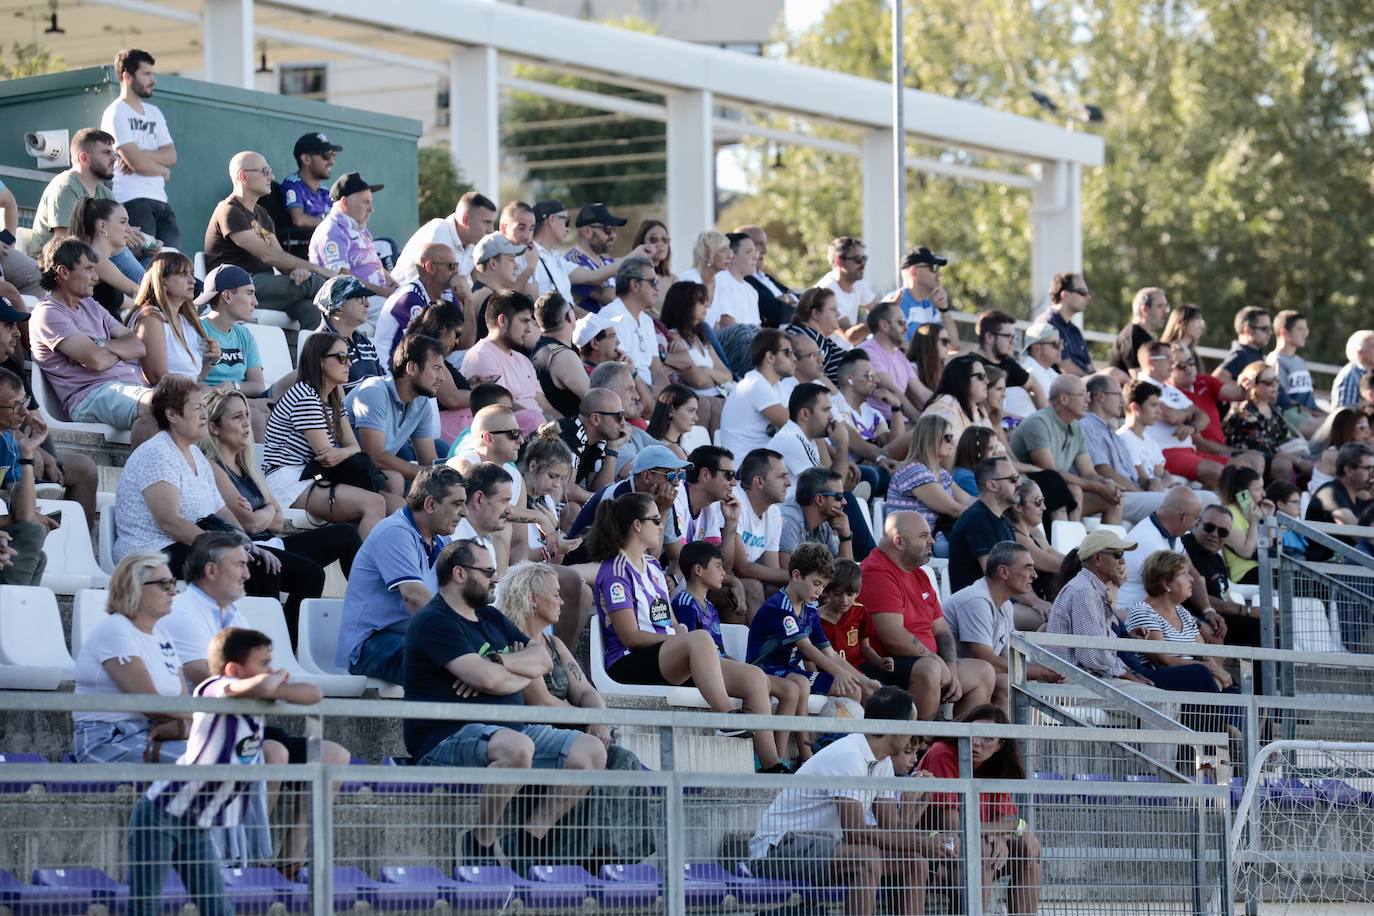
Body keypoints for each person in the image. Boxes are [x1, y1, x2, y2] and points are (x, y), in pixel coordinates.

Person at [401, 537, 607, 864]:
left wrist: (499, 661)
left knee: (591, 751)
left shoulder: (490, 618)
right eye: (487, 572)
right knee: (518, 748)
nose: (495, 579)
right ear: (459, 574)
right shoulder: (434, 621)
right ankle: (481, 842)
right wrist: (507, 673)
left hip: (506, 730)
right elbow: (488, 681)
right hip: (445, 738)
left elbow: (540, 658)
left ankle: (528, 838)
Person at [126, 627, 322, 916]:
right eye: (263, 663)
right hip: (161, 814)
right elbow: (243, 687)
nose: (271, 669)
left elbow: (313, 693)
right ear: (232, 669)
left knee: (217, 908)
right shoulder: (213, 688)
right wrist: (273, 681)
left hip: (197, 824)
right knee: (144, 908)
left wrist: (272, 681)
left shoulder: (258, 696)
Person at [589, 491, 787, 771]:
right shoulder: (615, 572)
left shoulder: (654, 568)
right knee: (699, 639)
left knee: (754, 678)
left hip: (664, 656)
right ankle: (726, 718)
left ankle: (772, 767)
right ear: (637, 525)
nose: (661, 526)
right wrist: (682, 640)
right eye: (655, 520)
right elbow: (630, 637)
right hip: (629, 661)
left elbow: (668, 619)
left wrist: (679, 635)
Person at [497, 560, 654, 868]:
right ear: (532, 598)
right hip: (536, 737)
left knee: (623, 760)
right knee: (594, 760)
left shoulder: (554, 643)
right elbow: (540, 703)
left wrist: (597, 718)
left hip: (573, 733)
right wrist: (586, 721)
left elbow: (585, 691)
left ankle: (610, 855)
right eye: (555, 594)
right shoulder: (514, 643)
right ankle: (572, 856)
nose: (562, 601)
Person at [749, 686, 929, 916]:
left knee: (915, 862)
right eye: (911, 724)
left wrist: (930, 840)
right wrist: (921, 844)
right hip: (777, 850)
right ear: (893, 727)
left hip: (826, 850)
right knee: (867, 858)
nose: (915, 733)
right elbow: (856, 833)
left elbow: (891, 826)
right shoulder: (849, 755)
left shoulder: (882, 762)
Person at [203, 388, 361, 644]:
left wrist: (262, 513)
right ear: (214, 428)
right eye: (236, 418)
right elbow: (250, 525)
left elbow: (276, 523)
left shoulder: (247, 466)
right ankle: (286, 645)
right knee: (311, 574)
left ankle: (367, 610)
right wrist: (265, 511)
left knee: (346, 535)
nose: (246, 423)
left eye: (246, 415)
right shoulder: (213, 467)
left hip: (273, 543)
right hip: (249, 550)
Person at [859, 511, 996, 719]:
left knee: (984, 672)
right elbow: (893, 638)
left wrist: (951, 667)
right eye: (924, 536)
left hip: (927, 663)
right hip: (884, 664)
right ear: (899, 542)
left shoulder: (919, 574)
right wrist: (937, 662)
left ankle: (953, 748)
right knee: (930, 668)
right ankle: (918, 744)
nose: (932, 540)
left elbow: (942, 631)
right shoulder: (876, 572)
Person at [337, 465, 467, 682]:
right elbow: (414, 596)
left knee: (489, 660)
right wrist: (463, 635)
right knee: (454, 665)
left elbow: (457, 596)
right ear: (430, 504)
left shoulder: (442, 539)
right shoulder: (394, 531)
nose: (464, 512)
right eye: (457, 504)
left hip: (412, 636)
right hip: (370, 645)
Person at [262, 333, 395, 538]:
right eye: (341, 358)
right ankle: (365, 569)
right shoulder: (305, 395)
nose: (349, 363)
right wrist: (346, 452)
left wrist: (344, 452)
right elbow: (326, 456)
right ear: (320, 361)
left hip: (310, 475)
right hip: (288, 480)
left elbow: (352, 448)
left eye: (349, 357)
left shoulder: (331, 397)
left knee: (397, 504)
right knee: (375, 503)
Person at [917, 704, 1042, 916]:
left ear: (999, 745)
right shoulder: (942, 754)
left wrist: (1002, 833)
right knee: (982, 851)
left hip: (971, 851)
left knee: (1028, 852)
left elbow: (1006, 818)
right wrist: (1008, 827)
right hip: (931, 848)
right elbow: (955, 826)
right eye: (973, 733)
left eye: (987, 739)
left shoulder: (997, 766)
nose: (976, 743)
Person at [31, 238, 156, 440]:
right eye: (89, 269)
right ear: (63, 272)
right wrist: (118, 351)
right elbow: (97, 361)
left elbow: (138, 345)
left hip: (126, 388)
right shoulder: (48, 314)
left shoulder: (89, 303)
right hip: (90, 397)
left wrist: (101, 345)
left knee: (190, 404)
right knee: (160, 408)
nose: (96, 277)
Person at [73, 552, 188, 763]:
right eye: (164, 584)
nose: (173, 591)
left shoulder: (162, 634)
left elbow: (184, 702)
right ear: (134, 587)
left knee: (240, 754)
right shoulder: (115, 630)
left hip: (150, 735)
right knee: (211, 760)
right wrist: (190, 724)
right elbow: (150, 703)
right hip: (109, 741)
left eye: (173, 582)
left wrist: (191, 724)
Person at [203, 151, 333, 328]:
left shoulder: (262, 214)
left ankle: (306, 355)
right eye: (264, 171)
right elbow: (267, 256)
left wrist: (295, 271)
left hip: (260, 287)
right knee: (317, 282)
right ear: (243, 176)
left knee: (311, 311)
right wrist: (318, 270)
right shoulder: (229, 211)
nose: (271, 176)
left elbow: (278, 256)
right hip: (234, 288)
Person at [748, 543, 874, 723]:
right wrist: (838, 673)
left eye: (823, 586)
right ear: (797, 575)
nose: (820, 592)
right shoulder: (779, 607)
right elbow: (806, 647)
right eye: (816, 584)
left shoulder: (810, 612)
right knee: (800, 684)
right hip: (765, 670)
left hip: (791, 672)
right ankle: (794, 749)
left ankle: (829, 743)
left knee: (852, 689)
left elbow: (830, 653)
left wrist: (863, 680)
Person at [943, 541, 1063, 711]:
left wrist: (1034, 674)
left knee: (1020, 682)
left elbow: (1005, 657)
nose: (1034, 575)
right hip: (947, 670)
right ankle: (973, 736)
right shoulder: (977, 601)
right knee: (1005, 684)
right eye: (1027, 567)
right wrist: (1038, 672)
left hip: (971, 670)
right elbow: (986, 660)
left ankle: (1005, 737)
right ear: (1004, 572)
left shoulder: (1005, 605)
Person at [27, 128, 154, 282]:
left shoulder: (105, 193)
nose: (114, 159)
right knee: (141, 278)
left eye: (113, 153)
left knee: (156, 262)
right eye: (106, 153)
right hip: (54, 268)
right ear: (84, 158)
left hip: (96, 259)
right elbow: (66, 245)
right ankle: (147, 295)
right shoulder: (65, 187)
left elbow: (116, 242)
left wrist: (145, 246)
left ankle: (150, 294)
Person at [1010, 374, 1125, 524]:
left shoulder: (1076, 426)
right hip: (1028, 496)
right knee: (1073, 490)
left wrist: (1106, 483)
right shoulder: (1039, 423)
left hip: (1057, 492)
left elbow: (1089, 473)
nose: (1088, 400)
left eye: (1088, 395)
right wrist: (1095, 487)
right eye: (1082, 395)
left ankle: (1111, 547)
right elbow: (1050, 473)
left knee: (1113, 499)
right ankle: (1071, 546)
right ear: (1064, 399)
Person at [1045, 530, 1150, 683]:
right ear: (1098, 558)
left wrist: (1129, 672)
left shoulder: (1090, 588)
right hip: (1076, 683)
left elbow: (1099, 652)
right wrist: (1128, 675)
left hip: (1089, 679)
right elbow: (1091, 653)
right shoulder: (1084, 591)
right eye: (1118, 554)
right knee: (1160, 702)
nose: (1123, 562)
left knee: (1158, 697)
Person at [100, 49, 179, 248]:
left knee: (171, 261)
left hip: (161, 200)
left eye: (153, 74)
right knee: (146, 262)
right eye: (146, 74)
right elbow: (136, 164)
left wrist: (143, 154)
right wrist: (163, 170)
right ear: (127, 76)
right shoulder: (116, 112)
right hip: (132, 200)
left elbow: (171, 154)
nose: (153, 80)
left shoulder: (154, 113)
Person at [1126, 551, 1235, 691]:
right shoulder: (1143, 611)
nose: (1191, 579)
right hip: (1157, 679)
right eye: (1184, 573)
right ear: (1166, 583)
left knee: (1232, 690)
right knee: (1201, 673)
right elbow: (1163, 660)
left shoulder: (1182, 612)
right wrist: (1210, 669)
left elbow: (1205, 655)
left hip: (1193, 677)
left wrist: (1218, 674)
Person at [346, 333, 444, 486]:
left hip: (370, 473)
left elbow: (428, 460)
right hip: (339, 470)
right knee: (395, 480)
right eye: (436, 368)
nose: (442, 377)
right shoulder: (374, 391)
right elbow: (373, 456)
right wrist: (428, 474)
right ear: (411, 368)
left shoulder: (422, 402)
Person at [1138, 341, 1227, 489]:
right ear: (1150, 361)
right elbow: (1172, 417)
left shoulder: (1170, 390)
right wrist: (1189, 413)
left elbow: (1203, 417)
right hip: (1165, 454)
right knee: (1218, 471)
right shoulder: (1141, 387)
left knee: (1243, 467)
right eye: (1167, 358)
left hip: (1188, 452)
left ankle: (1247, 510)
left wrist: (1191, 427)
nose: (1173, 362)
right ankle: (1240, 510)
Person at [1081, 374, 1169, 523]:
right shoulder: (1087, 426)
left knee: (1192, 501)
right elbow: (1104, 471)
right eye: (1117, 395)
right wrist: (1142, 493)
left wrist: (1148, 483)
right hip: (1112, 496)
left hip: (1130, 493)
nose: (1123, 401)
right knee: (1185, 505)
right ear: (1099, 397)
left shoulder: (1111, 431)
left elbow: (1134, 477)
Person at [196, 266, 270, 438]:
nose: (255, 302)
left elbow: (258, 386)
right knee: (257, 417)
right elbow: (191, 382)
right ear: (227, 296)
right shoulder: (196, 329)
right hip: (206, 400)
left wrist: (233, 387)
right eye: (249, 293)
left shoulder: (244, 334)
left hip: (236, 396)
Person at [461, 291, 550, 435]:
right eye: (524, 321)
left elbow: (543, 404)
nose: (528, 328)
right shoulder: (482, 355)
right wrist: (544, 426)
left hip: (540, 433)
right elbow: (501, 408)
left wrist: (562, 424)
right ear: (502, 321)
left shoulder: (523, 360)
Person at [528, 200, 648, 303]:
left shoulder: (555, 257)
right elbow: (605, 291)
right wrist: (633, 256)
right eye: (566, 221)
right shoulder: (532, 256)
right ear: (552, 219)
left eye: (614, 230)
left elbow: (593, 276)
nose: (613, 235)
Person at [887, 413, 971, 558]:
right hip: (912, 543)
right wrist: (988, 515)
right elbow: (954, 509)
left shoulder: (941, 473)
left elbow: (969, 500)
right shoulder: (914, 471)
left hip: (934, 537)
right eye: (948, 438)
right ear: (931, 438)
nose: (953, 443)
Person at [129, 251, 217, 387]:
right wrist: (204, 394)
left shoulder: (185, 321)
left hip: (186, 398)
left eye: (191, 274)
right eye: (183, 274)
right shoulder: (150, 319)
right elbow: (157, 378)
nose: (192, 280)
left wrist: (210, 361)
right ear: (163, 281)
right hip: (162, 400)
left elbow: (194, 378)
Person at [1182, 503, 1263, 648]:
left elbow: (1224, 595)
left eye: (1222, 532)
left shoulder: (1217, 558)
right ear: (1198, 522)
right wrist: (1248, 611)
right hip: (1197, 617)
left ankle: (1254, 671)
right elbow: (1199, 597)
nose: (1214, 535)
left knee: (1269, 625)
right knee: (1260, 629)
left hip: (1219, 619)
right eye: (1209, 527)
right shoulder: (1185, 548)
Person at [308, 172, 396, 301]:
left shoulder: (358, 227)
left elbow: (374, 263)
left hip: (375, 298)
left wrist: (394, 285)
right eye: (366, 202)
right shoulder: (331, 231)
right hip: (353, 302)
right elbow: (343, 279)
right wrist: (386, 293)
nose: (372, 209)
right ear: (344, 203)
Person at [374, 242, 459, 369]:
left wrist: (468, 299)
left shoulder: (449, 295)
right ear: (431, 267)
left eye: (457, 265)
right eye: (451, 266)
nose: (457, 271)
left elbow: (464, 342)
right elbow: (425, 347)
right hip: (392, 373)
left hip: (418, 365)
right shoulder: (409, 298)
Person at [1223, 361, 1310, 483]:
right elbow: (1264, 449)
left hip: (1274, 460)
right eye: (1269, 382)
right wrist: (1298, 461)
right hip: (1250, 463)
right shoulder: (1245, 412)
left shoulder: (1275, 410)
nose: (1274, 385)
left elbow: (1284, 440)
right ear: (1254, 385)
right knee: (1284, 465)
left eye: (1276, 380)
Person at [0, 375, 48, 585]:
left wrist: (27, 453)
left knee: (37, 556)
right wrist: (12, 521)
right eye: (14, 406)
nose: (25, 412)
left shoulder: (7, 442)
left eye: (24, 402)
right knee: (31, 532)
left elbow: (25, 514)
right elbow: (27, 521)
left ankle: (17, 612)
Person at [393, 190, 496, 289]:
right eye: (486, 222)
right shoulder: (437, 233)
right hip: (403, 301)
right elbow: (436, 290)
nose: (491, 230)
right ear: (466, 220)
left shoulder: (473, 243)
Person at [946, 457, 1020, 593]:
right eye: (1013, 479)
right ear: (992, 485)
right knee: (1044, 614)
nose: (1019, 484)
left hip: (999, 600)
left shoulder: (1003, 522)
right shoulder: (977, 519)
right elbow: (997, 578)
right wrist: (1034, 601)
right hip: (977, 603)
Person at [720, 328, 795, 458]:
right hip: (744, 467)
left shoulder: (775, 386)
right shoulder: (755, 384)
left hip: (762, 463)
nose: (794, 358)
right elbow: (791, 423)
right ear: (770, 357)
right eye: (788, 353)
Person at [660, 280, 731, 416]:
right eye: (701, 301)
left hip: (717, 397)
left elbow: (728, 375)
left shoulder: (701, 338)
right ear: (685, 304)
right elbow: (698, 381)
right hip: (699, 403)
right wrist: (711, 376)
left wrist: (707, 371)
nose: (707, 306)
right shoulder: (674, 338)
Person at [308, 276, 384, 394]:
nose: (367, 304)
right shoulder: (321, 343)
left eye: (366, 298)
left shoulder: (365, 342)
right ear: (338, 307)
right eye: (359, 298)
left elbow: (382, 382)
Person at [602, 256, 669, 389]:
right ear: (635, 285)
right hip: (630, 391)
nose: (657, 289)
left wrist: (670, 397)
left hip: (650, 391)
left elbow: (656, 369)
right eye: (653, 282)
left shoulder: (647, 320)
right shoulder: (611, 316)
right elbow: (620, 370)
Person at [67, 197, 140, 318]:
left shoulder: (96, 257)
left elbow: (131, 301)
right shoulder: (93, 259)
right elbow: (139, 292)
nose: (129, 229)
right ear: (102, 225)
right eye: (123, 222)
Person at [1004, 477, 1063, 620]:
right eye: (1038, 502)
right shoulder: (1017, 539)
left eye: (1043, 501)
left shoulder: (1035, 534)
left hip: (1039, 604)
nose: (1044, 507)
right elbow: (1060, 565)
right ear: (1018, 506)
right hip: (1020, 604)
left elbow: (1063, 557)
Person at [1304, 443, 1374, 560]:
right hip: (1324, 571)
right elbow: (1360, 534)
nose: (1372, 474)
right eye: (1368, 468)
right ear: (1349, 470)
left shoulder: (1360, 500)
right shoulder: (1329, 492)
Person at [860, 300, 925, 424]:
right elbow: (891, 389)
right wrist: (920, 420)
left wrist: (948, 405)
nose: (906, 328)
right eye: (901, 323)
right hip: (880, 426)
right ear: (884, 325)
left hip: (899, 422)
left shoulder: (900, 356)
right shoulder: (868, 351)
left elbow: (921, 391)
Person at [883, 244, 959, 346]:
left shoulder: (929, 307)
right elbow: (898, 351)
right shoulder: (895, 302)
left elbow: (953, 346)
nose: (939, 274)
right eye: (934, 267)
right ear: (914, 272)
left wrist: (944, 310)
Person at [531, 291, 590, 419]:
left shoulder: (542, 349)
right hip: (569, 434)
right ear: (569, 316)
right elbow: (595, 400)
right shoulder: (562, 356)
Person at [780, 467, 854, 567]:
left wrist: (845, 537)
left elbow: (846, 576)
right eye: (839, 496)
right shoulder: (788, 521)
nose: (844, 502)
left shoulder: (824, 525)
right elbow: (788, 574)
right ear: (819, 499)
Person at [1215, 463, 1275, 586]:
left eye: (1262, 488)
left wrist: (1268, 518)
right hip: (1244, 573)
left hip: (1263, 568)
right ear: (1242, 493)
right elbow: (1246, 552)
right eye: (1257, 489)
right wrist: (1254, 523)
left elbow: (1269, 547)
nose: (1263, 494)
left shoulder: (1251, 513)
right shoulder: (1229, 513)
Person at [813, 237, 877, 344]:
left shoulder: (858, 282)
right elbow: (850, 336)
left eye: (864, 258)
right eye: (858, 259)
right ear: (839, 262)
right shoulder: (826, 291)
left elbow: (876, 311)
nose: (863, 265)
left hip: (846, 354)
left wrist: (886, 314)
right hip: (823, 357)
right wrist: (881, 320)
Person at [735, 224, 797, 326]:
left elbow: (797, 296)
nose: (765, 250)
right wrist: (791, 302)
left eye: (765, 244)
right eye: (759, 244)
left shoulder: (767, 277)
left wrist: (787, 299)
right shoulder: (745, 280)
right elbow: (778, 312)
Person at [924, 353, 993, 446]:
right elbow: (952, 453)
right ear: (962, 379)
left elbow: (996, 449)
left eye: (986, 376)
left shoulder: (978, 410)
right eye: (981, 376)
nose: (987, 381)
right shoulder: (945, 406)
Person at [279, 131, 342, 228]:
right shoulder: (292, 185)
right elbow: (298, 219)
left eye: (333, 155)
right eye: (326, 155)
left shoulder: (325, 192)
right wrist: (331, 226)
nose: (332, 162)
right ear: (306, 159)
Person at [1000, 322, 1061, 422]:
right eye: (1055, 344)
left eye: (1060, 343)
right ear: (1037, 348)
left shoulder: (1048, 371)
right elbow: (1059, 409)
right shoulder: (1031, 370)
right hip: (1018, 429)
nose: (1061, 348)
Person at [786, 287, 847, 384]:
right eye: (833, 309)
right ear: (816, 313)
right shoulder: (802, 339)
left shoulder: (816, 337)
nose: (838, 314)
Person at [1038, 272, 1094, 376]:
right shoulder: (1047, 325)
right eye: (1082, 292)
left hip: (1080, 386)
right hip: (1063, 387)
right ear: (1065, 295)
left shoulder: (1075, 330)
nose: (1088, 297)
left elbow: (1090, 367)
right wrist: (1093, 381)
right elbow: (1066, 368)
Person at [1109, 287, 1168, 378]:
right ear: (1144, 309)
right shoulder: (1133, 337)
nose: (1165, 311)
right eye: (1160, 306)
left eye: (1166, 306)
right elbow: (1139, 378)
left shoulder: (1143, 336)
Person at [1215, 306, 1275, 387]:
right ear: (1248, 330)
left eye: (1270, 329)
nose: (1270, 333)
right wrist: (1243, 390)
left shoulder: (1254, 353)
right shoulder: (1240, 355)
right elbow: (1215, 381)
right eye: (1265, 329)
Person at [644, 383, 699, 459]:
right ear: (671, 411)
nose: (696, 418)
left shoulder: (684, 451)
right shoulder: (658, 451)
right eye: (690, 410)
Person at [907, 323, 950, 409]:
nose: (948, 345)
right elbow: (919, 406)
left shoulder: (944, 370)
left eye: (948, 342)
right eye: (944, 341)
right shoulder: (912, 369)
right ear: (930, 342)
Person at [1332, 330, 1374, 409]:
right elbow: (1346, 415)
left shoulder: (1370, 372)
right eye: (1373, 346)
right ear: (1360, 352)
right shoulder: (1350, 376)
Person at [1160, 304, 1207, 371]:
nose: (1201, 325)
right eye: (1197, 319)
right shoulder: (1166, 352)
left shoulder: (1194, 355)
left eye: (1201, 321)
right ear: (1182, 323)